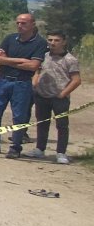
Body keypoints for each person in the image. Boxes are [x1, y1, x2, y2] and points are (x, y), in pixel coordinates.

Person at [0, 13, 48, 159]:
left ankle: (15, 147)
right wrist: (20, 60)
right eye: (18, 23)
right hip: (2, 80)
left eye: (24, 23)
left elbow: (33, 65)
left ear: (32, 24)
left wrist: (6, 59)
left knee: (19, 116)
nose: (20, 26)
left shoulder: (39, 43)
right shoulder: (9, 38)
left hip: (22, 83)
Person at [24, 31, 81, 164]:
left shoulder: (70, 59)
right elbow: (37, 70)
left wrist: (63, 93)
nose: (52, 43)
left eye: (56, 40)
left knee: (62, 125)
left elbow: (76, 80)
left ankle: (61, 152)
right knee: (42, 123)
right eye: (50, 40)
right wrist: (35, 82)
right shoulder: (44, 56)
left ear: (63, 42)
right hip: (42, 95)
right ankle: (40, 149)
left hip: (59, 97)